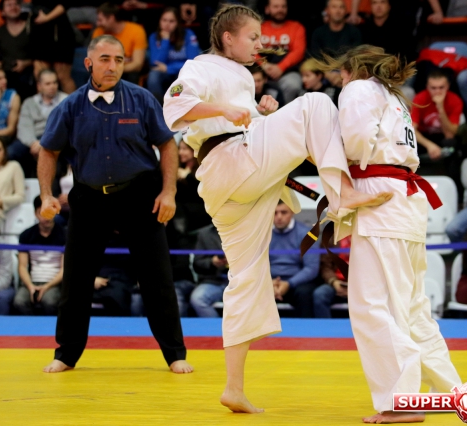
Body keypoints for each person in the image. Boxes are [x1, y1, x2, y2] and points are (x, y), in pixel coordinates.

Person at [163, 4, 390, 413]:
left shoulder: (239, 75)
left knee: (246, 279)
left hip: (233, 183)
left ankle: (234, 388)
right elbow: (174, 107)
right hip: (230, 164)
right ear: (228, 37)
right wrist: (227, 111)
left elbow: (234, 122)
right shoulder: (200, 67)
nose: (260, 44)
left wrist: (258, 116)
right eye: (253, 36)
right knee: (316, 103)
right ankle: (342, 194)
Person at [321, 44, 462, 423]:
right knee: (412, 308)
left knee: (373, 306)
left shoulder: (359, 89)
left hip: (382, 201)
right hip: (405, 200)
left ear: (353, 69)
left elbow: (355, 143)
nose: (341, 80)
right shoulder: (394, 97)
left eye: (342, 73)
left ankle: (402, 401)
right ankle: (449, 390)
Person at [37, 35, 192, 375]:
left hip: (139, 195)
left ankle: (175, 354)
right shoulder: (70, 106)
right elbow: (48, 150)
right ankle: (66, 354)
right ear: (89, 63)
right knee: (76, 279)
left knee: (157, 277)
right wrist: (47, 194)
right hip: (89, 196)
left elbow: (167, 145)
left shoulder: (141, 99)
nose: (112, 66)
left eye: (119, 59)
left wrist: (168, 193)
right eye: (105, 59)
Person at [13, 196, 65, 315]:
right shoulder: (26, 235)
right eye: (42, 213)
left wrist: (47, 286)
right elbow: (22, 266)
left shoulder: (64, 234)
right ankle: (29, 326)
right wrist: (30, 286)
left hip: (54, 283)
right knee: (19, 301)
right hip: (32, 281)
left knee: (49, 302)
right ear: (35, 213)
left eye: (50, 212)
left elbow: (65, 268)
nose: (47, 217)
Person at [12, 69, 68, 177]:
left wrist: (44, 142)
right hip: (33, 139)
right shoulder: (29, 103)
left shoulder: (66, 100)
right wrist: (33, 143)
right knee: (12, 152)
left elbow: (65, 127)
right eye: (48, 84)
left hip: (56, 138)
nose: (52, 86)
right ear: (39, 86)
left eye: (54, 82)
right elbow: (24, 127)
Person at [269, 201, 319, 318]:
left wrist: (289, 283)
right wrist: (268, 282)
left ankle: (305, 329)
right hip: (269, 281)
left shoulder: (307, 234)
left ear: (292, 212)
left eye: (283, 212)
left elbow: (311, 268)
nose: (279, 217)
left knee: (304, 294)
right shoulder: (261, 235)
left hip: (297, 282)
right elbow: (255, 265)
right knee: (252, 290)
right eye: (275, 213)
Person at [147, 7, 200, 100]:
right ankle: (158, 106)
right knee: (153, 76)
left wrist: (169, 68)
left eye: (171, 21)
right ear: (159, 21)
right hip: (164, 73)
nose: (167, 24)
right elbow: (155, 63)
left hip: (181, 70)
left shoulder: (188, 35)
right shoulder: (154, 37)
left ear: (178, 23)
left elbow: (193, 62)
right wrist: (165, 40)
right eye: (164, 20)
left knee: (184, 76)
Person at [412, 69, 463, 163]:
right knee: (408, 143)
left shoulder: (455, 100)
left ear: (448, 86)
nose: (438, 92)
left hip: (443, 136)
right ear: (427, 87)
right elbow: (412, 129)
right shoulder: (420, 98)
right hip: (424, 137)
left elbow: (450, 134)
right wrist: (429, 145)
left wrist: (440, 107)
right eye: (433, 88)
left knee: (453, 144)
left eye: (441, 87)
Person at [260, 0, 306, 104]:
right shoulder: (259, 27)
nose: (280, 9)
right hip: (261, 71)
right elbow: (251, 50)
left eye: (283, 6)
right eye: (276, 6)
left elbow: (299, 52)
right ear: (267, 9)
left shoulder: (296, 27)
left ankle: (285, 112)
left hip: (288, 72)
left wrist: (281, 67)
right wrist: (263, 64)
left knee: (293, 85)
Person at [93, 2, 148, 84]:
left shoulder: (136, 31)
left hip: (127, 71)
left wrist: (114, 70)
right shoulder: (98, 32)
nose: (98, 24)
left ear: (111, 18)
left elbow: (137, 64)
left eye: (100, 20)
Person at [30, 0, 77, 94]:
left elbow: (65, 4)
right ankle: (43, 103)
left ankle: (74, 103)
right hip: (39, 31)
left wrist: (47, 18)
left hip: (59, 32)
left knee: (62, 76)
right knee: (40, 75)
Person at [189, 224, 229, 318]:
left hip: (242, 280)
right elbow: (197, 264)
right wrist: (212, 262)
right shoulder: (205, 233)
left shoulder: (247, 229)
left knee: (253, 298)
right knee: (198, 299)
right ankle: (217, 327)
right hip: (215, 281)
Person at [313, 236, 350, 318]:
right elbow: (325, 266)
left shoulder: (368, 238)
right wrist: (334, 282)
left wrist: (356, 288)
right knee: (320, 294)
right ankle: (324, 325)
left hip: (361, 285)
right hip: (336, 282)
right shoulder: (330, 237)